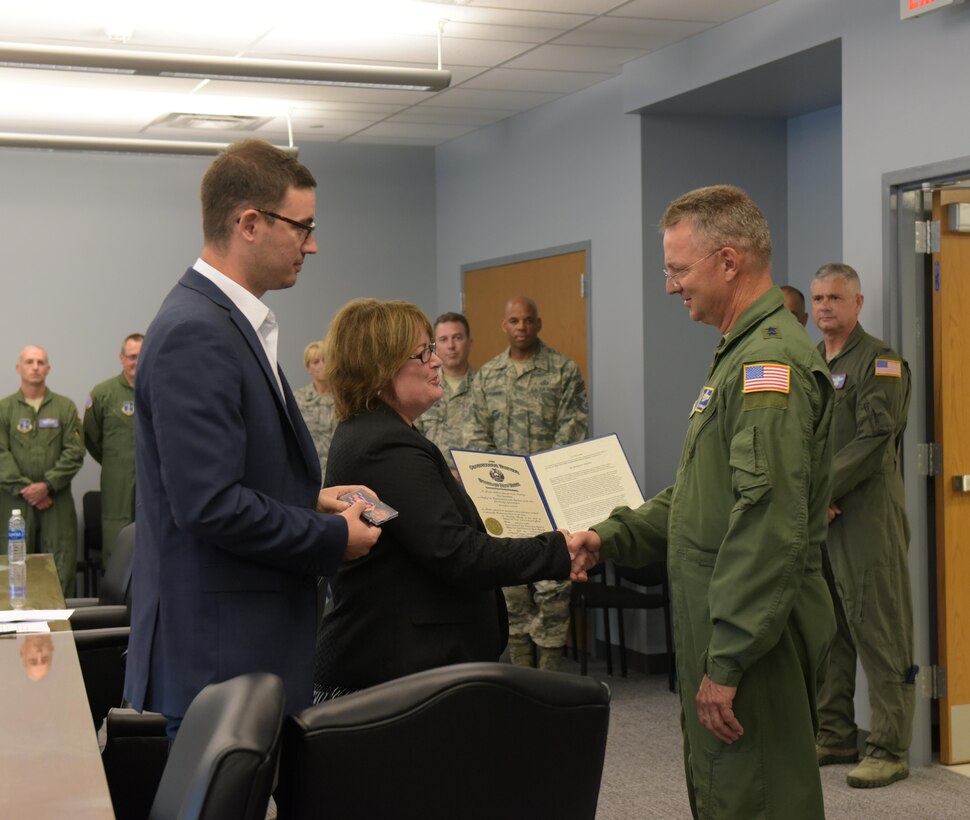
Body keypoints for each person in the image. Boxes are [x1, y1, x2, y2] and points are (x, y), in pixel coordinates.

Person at [566, 185, 836, 819]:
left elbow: (769, 526)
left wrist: (731, 656)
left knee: (757, 797)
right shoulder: (738, 356)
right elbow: (699, 498)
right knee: (727, 791)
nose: (669, 286)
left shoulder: (770, 365)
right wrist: (609, 535)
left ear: (729, 260)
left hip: (752, 634)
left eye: (678, 270)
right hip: (725, 624)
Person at [123, 139, 380, 739]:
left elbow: (228, 474)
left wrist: (308, 498)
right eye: (303, 227)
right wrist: (331, 535)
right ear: (249, 223)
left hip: (236, 650)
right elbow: (208, 504)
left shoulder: (226, 321)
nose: (312, 245)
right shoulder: (198, 332)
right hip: (219, 658)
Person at [313, 299, 576, 701]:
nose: (437, 362)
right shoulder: (384, 443)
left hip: (410, 666)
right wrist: (560, 551)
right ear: (381, 367)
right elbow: (458, 553)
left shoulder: (379, 433)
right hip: (399, 674)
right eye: (424, 352)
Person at [811, 262, 914, 788]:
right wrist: (813, 497)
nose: (825, 306)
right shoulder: (809, 363)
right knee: (830, 630)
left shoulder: (881, 361)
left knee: (879, 627)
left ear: (858, 303)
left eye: (835, 297)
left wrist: (822, 489)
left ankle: (890, 747)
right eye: (818, 298)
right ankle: (834, 734)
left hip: (867, 517)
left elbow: (875, 439)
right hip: (823, 520)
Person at [464, 296, 588, 671]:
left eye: (528, 320)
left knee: (554, 585)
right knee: (511, 586)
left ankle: (549, 674)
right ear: (504, 325)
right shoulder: (487, 376)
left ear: (539, 323)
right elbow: (477, 434)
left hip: (551, 496)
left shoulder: (563, 370)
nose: (521, 327)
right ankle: (520, 671)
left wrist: (543, 476)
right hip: (505, 500)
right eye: (514, 320)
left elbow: (574, 429)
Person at [0, 345, 84, 595]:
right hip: (14, 501)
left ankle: (61, 631)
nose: (35, 367)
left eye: (40, 362)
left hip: (55, 501)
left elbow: (75, 451)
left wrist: (46, 486)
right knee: (13, 567)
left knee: (59, 566)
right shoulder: (4, 409)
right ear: (19, 368)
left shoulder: (64, 407)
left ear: (48, 368)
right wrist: (27, 489)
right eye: (29, 362)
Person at [83, 332, 143, 565]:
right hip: (116, 481)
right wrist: (115, 461)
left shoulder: (162, 389)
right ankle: (117, 600)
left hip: (155, 480)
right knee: (117, 540)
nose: (136, 361)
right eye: (131, 356)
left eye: (141, 355)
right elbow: (90, 436)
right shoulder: (103, 393)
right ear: (121, 358)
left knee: (155, 539)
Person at [414, 311, 475, 472]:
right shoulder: (423, 388)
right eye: (443, 339)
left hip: (473, 479)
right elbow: (414, 436)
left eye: (457, 338)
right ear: (434, 347)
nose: (451, 346)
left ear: (470, 342)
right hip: (430, 475)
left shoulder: (485, 387)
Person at [293, 339, 336, 479]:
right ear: (308, 367)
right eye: (316, 362)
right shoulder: (298, 400)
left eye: (325, 360)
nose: (322, 366)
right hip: (310, 474)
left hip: (340, 472)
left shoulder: (344, 399)